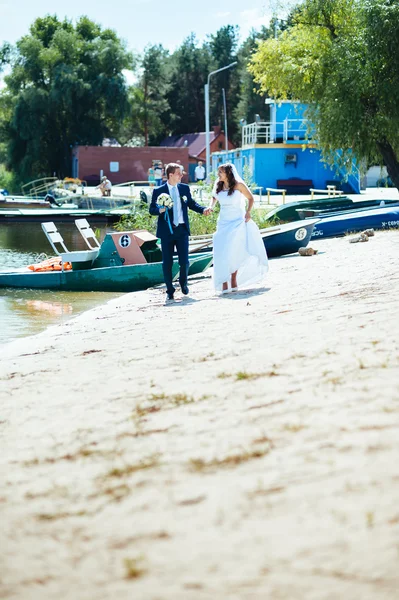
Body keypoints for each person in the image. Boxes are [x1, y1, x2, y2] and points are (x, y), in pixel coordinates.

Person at [149, 162, 211, 301]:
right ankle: (169, 289)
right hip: (166, 232)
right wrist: (160, 210)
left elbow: (191, 203)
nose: (181, 175)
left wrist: (203, 209)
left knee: (184, 261)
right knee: (167, 262)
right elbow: (151, 209)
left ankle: (183, 283)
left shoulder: (184, 188)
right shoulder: (159, 191)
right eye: (179, 173)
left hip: (182, 230)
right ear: (171, 175)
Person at [209, 163, 268, 293]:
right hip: (223, 222)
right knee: (221, 250)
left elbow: (250, 198)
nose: (218, 175)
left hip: (237, 221)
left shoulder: (238, 185)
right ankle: (224, 281)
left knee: (234, 249)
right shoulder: (218, 185)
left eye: (221, 172)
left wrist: (248, 212)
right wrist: (211, 206)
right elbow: (214, 197)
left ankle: (233, 279)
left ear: (228, 173)